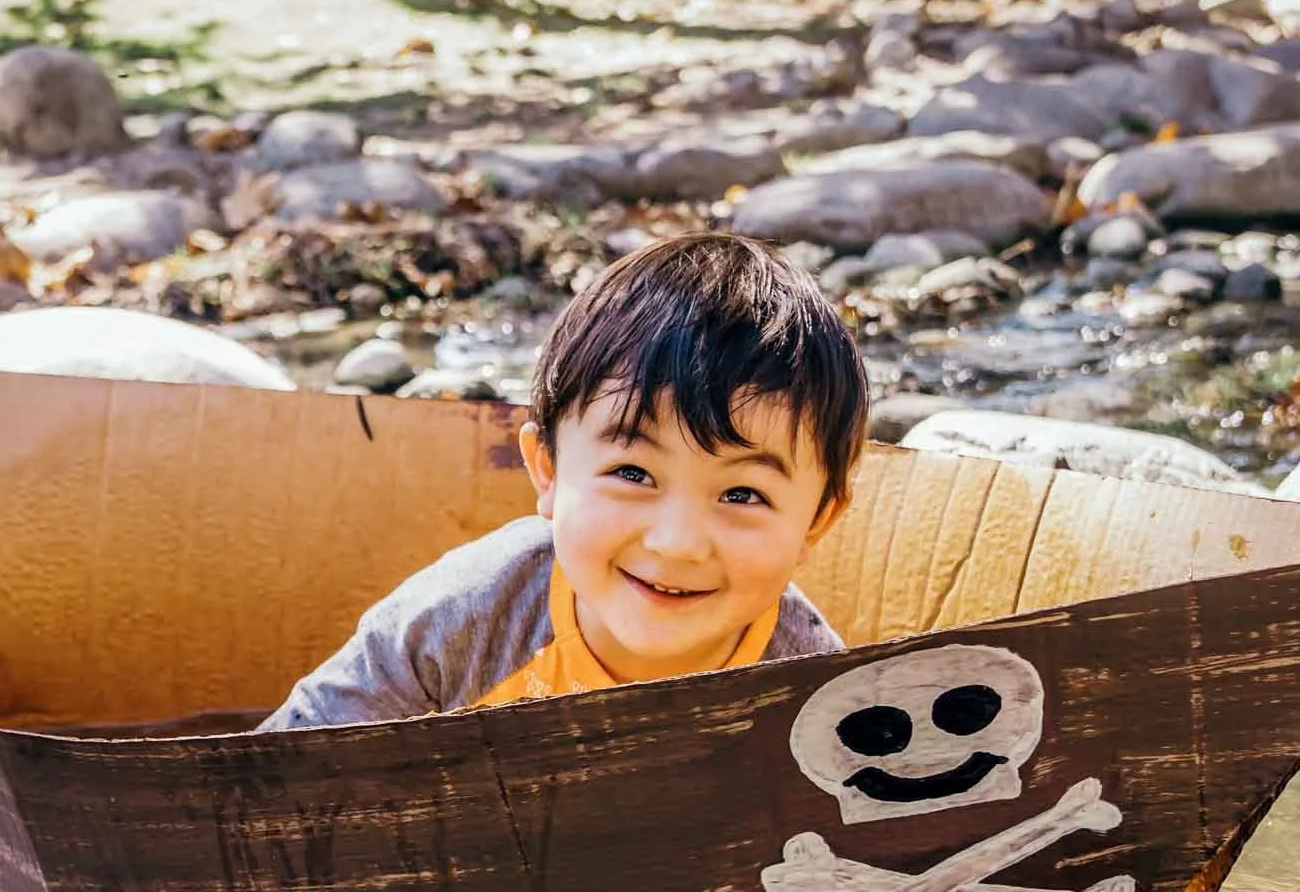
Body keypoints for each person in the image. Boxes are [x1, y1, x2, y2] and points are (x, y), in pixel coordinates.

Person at [258, 231, 868, 732]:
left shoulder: (814, 687)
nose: (676, 543)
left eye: (742, 495)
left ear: (816, 521)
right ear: (546, 470)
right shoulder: (461, 627)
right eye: (633, 473)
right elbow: (275, 771)